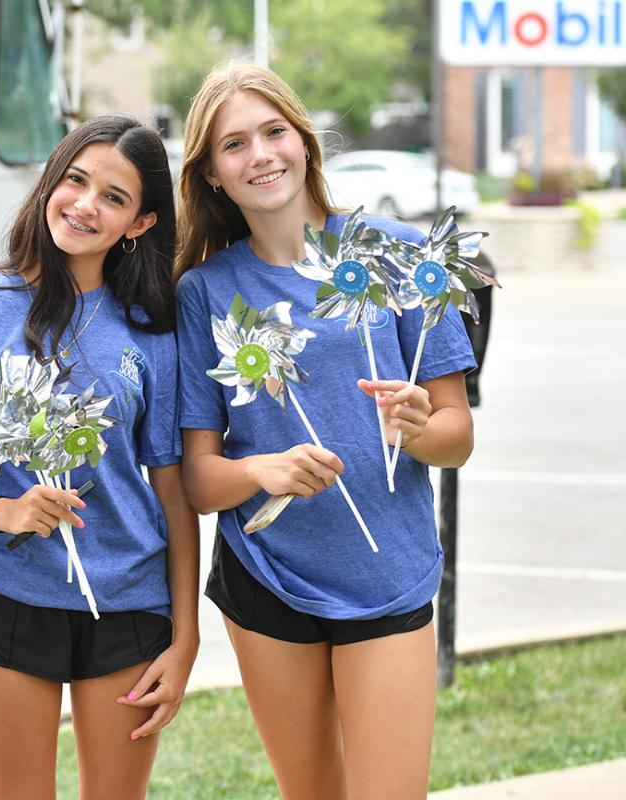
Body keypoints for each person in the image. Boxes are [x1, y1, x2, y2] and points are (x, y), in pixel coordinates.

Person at [175, 60, 476, 799]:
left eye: (273, 132)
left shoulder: (399, 254)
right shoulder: (204, 293)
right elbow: (200, 481)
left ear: (304, 140)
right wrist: (262, 472)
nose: (261, 155)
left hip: (388, 575)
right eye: (234, 145)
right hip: (268, 580)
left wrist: (417, 424)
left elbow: (457, 436)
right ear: (212, 173)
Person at [0, 115, 200, 800]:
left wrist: (185, 639)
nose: (86, 204)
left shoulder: (152, 332)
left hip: (130, 605)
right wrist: (2, 512)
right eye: (76, 180)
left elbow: (174, 496)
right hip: (8, 599)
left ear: (141, 223)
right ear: (49, 184)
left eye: (115, 197)